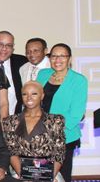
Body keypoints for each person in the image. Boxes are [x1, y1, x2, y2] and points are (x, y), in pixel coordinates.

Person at [36, 43, 88, 182]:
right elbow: (33, 101)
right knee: (39, 175)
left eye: (62, 56)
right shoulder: (43, 74)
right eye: (54, 56)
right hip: (38, 136)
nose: (57, 59)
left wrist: (50, 130)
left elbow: (76, 115)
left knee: (61, 177)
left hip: (64, 137)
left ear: (69, 59)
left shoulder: (78, 80)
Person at [2, 81, 65, 180]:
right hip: (20, 173)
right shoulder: (10, 121)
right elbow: (11, 153)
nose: (29, 97)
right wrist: (26, 176)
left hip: (49, 172)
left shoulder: (55, 120)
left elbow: (59, 153)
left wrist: (48, 177)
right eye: (25, 94)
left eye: (34, 94)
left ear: (42, 96)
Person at [0, 30, 28, 114]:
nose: (4, 49)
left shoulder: (22, 62)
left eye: (9, 45)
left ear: (13, 47)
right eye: (0, 44)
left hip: (17, 118)